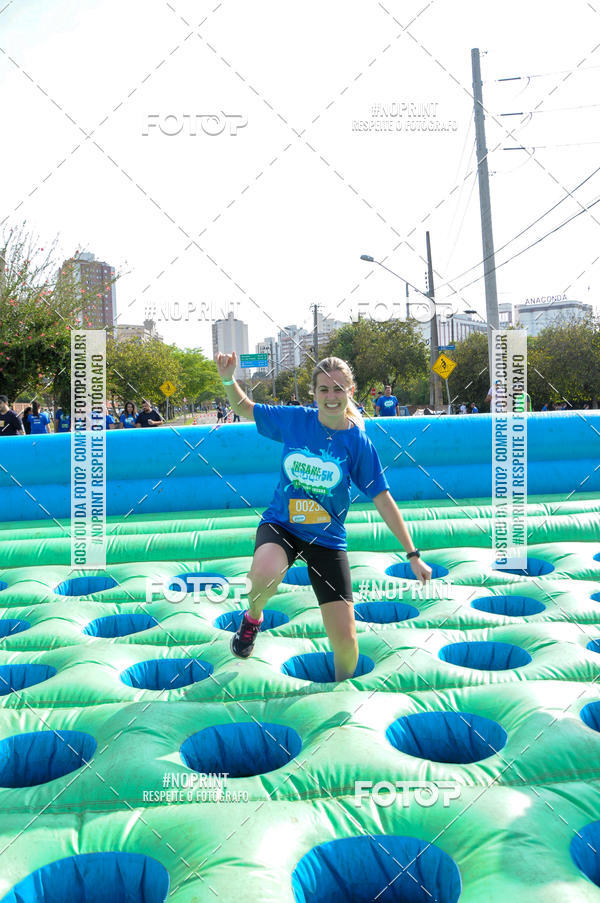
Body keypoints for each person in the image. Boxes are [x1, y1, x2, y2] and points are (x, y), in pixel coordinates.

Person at [215, 351, 432, 682]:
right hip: (283, 525)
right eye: (324, 390)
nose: (331, 397)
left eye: (338, 389)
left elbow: (383, 498)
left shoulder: (357, 443)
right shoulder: (296, 421)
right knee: (264, 573)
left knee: (345, 644)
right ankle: (253, 618)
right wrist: (228, 379)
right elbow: (245, 409)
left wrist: (412, 554)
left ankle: (341, 692)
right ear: (313, 393)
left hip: (327, 539)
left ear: (350, 392)